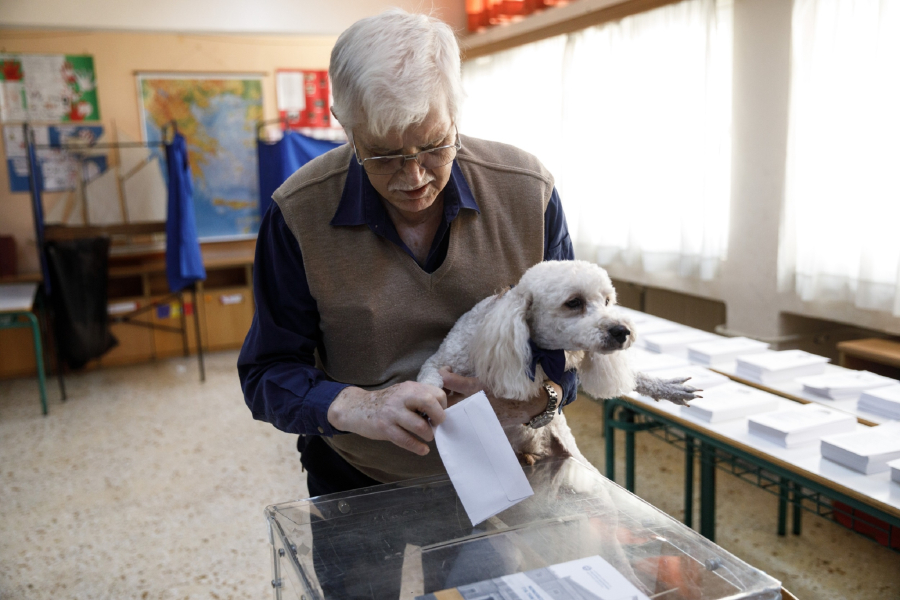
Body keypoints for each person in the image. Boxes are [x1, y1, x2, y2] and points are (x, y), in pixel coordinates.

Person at [238, 9, 577, 499]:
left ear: (456, 112)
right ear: (344, 124)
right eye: (382, 154)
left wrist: (534, 405)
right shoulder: (297, 214)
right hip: (356, 477)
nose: (414, 177)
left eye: (434, 145)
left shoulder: (529, 192)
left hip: (507, 466)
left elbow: (574, 348)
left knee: (501, 578)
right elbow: (267, 370)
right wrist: (355, 406)